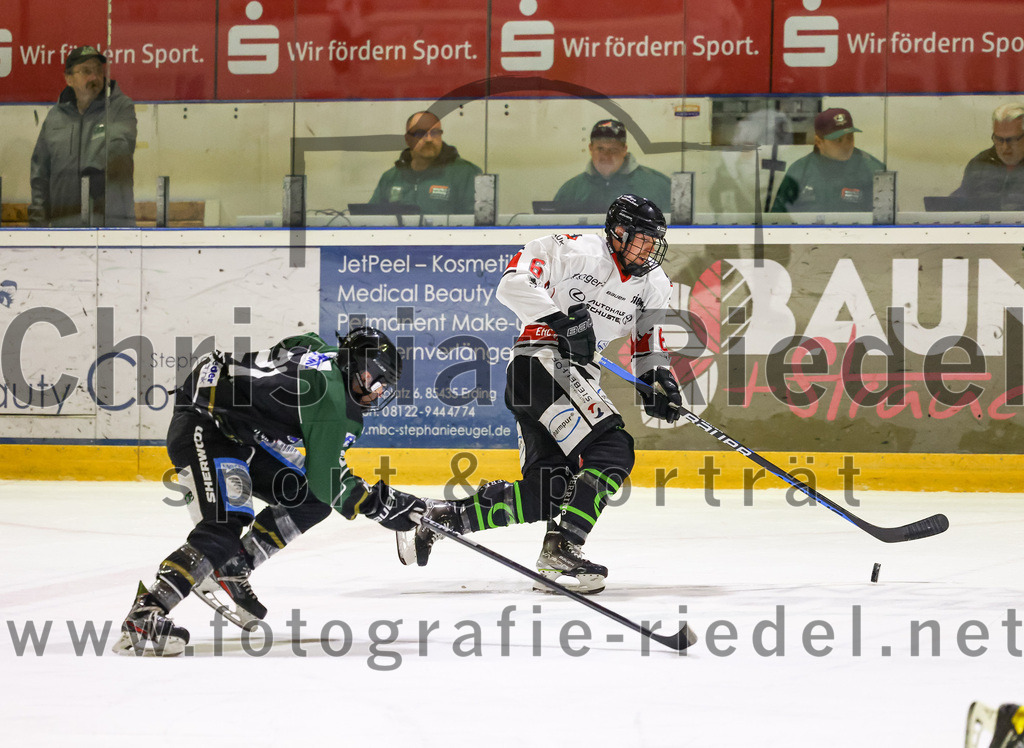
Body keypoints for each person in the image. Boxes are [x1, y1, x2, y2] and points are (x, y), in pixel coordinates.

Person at [398, 194, 682, 595]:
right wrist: (562, 323)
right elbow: (512, 285)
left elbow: (647, 342)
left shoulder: (654, 284)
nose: (648, 249)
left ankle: (439, 518)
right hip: (542, 362)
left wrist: (659, 381)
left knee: (550, 491)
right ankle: (562, 547)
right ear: (617, 232)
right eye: (640, 239)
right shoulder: (571, 250)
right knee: (613, 449)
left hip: (570, 377)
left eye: (654, 242)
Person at [113, 327, 427, 656]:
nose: (378, 392)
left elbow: (292, 344)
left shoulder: (321, 352)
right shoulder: (334, 399)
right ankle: (146, 612)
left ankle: (233, 567)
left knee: (311, 500)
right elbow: (327, 478)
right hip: (206, 424)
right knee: (225, 525)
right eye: (377, 380)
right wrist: (377, 505)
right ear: (358, 364)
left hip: (238, 431)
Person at [29, 45, 137, 227]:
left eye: (98, 71)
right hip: (63, 227)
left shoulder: (119, 107)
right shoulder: (55, 117)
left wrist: (94, 170)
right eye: (86, 71)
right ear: (69, 79)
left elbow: (120, 145)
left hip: (110, 226)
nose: (94, 77)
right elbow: (40, 174)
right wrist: (37, 225)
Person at [770, 107, 884, 213]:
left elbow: (886, 220)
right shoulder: (799, 171)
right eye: (838, 140)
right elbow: (778, 218)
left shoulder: (873, 170)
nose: (846, 145)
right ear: (819, 142)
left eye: (850, 137)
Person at [368, 111, 482, 214]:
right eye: (420, 134)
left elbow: (477, 227)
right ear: (408, 140)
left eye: (435, 133)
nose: (429, 139)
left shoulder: (467, 174)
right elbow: (371, 219)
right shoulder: (391, 177)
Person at [552, 119, 671, 213]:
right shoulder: (570, 190)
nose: (606, 156)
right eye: (600, 149)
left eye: (613, 150)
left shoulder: (659, 186)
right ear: (590, 148)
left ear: (624, 150)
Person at [950, 103, 1024, 210]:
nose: (1004, 147)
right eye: (999, 139)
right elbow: (963, 199)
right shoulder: (980, 163)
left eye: (1011, 139)